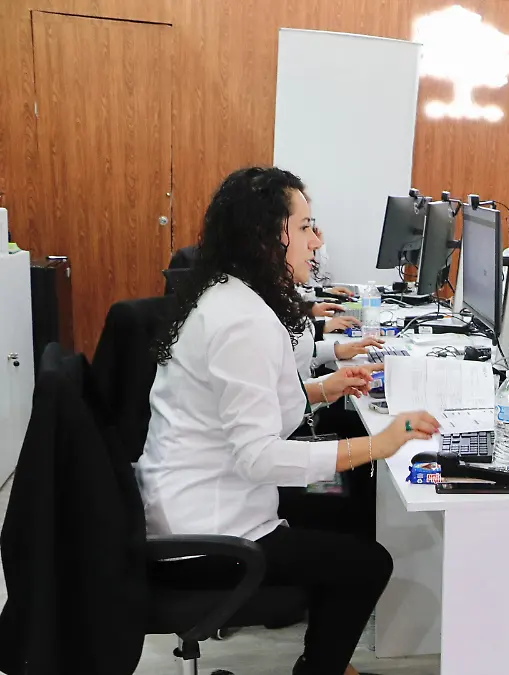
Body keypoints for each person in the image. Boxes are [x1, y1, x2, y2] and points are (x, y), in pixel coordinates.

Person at [137, 167, 440, 675]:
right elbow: (259, 457)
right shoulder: (242, 320)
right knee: (369, 563)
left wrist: (324, 389)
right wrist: (380, 444)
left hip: (207, 498)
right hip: (210, 537)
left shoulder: (233, 296)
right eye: (304, 227)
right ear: (265, 237)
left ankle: (326, 656)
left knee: (349, 502)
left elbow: (249, 406)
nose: (316, 241)